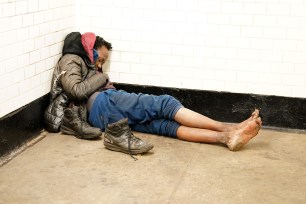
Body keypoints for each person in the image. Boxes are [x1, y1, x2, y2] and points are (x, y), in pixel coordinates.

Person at [45, 31, 262, 159]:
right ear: (89, 48)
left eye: (102, 61)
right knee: (165, 104)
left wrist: (99, 76)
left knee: (164, 125)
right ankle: (228, 127)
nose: (100, 64)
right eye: (99, 58)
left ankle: (226, 138)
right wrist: (102, 77)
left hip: (103, 112)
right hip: (103, 103)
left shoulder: (84, 62)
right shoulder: (71, 59)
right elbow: (76, 90)